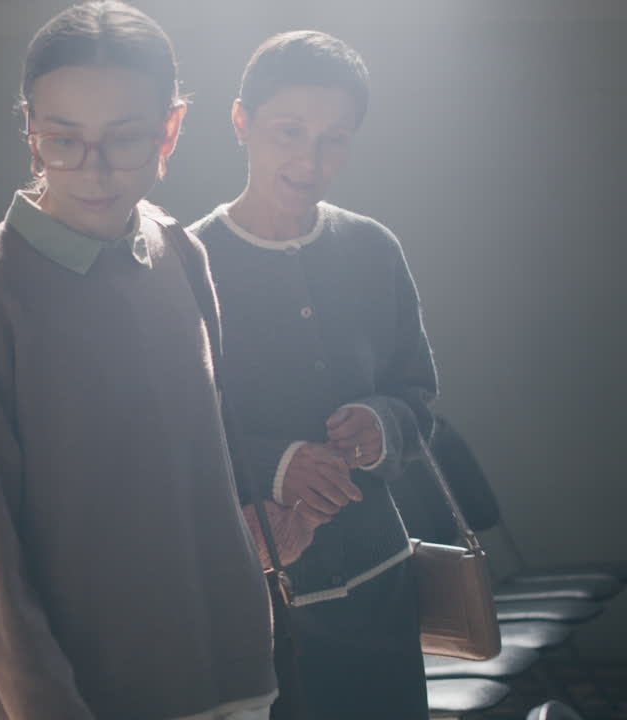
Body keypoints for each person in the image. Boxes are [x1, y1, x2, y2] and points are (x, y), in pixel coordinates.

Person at [0, 3, 320, 718]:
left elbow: (206, 469)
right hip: (81, 695)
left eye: (124, 138)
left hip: (231, 678)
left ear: (171, 128)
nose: (92, 169)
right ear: (31, 131)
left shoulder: (179, 252)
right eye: (63, 139)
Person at [187, 31, 439, 719]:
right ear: (241, 123)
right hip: (255, 593)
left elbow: (418, 400)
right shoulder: (186, 262)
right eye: (288, 131)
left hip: (380, 581)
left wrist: (381, 426)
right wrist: (276, 466)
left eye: (334, 137)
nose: (310, 159)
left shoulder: (372, 248)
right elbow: (173, 433)